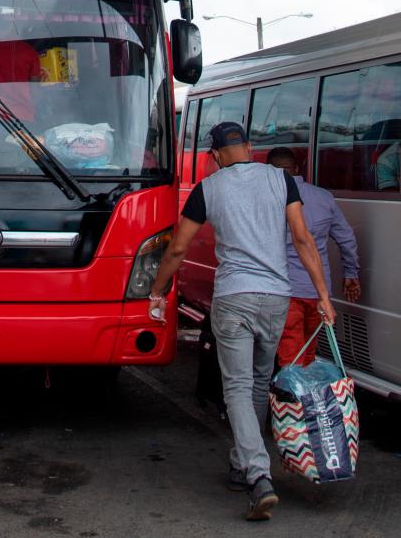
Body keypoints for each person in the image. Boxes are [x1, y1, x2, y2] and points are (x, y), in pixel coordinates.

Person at [144, 123, 335, 522]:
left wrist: (158, 290)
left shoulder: (207, 189)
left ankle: (258, 474)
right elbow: (302, 239)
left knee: (237, 387)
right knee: (260, 382)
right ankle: (240, 462)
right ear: (249, 148)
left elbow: (178, 247)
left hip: (233, 298)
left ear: (215, 156)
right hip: (276, 298)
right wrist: (322, 295)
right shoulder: (283, 180)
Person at [264, 149, 361, 368]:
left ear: (270, 172)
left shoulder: (267, 200)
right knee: (308, 352)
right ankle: (305, 398)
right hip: (318, 291)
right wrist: (351, 273)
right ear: (296, 169)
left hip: (284, 291)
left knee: (290, 354)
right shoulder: (323, 197)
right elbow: (346, 238)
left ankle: (293, 399)